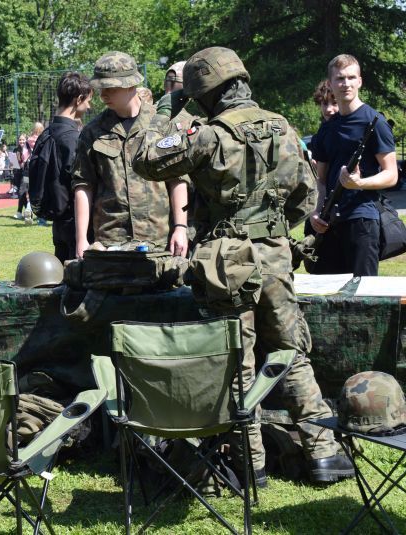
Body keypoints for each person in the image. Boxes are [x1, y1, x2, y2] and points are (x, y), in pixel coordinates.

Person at [132, 46, 354, 486]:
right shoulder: (283, 127)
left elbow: (146, 158)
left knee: (238, 362)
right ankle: (324, 453)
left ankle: (250, 465)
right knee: (292, 353)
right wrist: (271, 228)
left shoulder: (209, 135)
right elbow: (306, 197)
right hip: (275, 256)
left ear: (205, 93)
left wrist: (167, 109)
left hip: (226, 263)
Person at [72, 52, 188, 261]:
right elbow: (83, 185)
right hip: (111, 241)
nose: (103, 95)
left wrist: (181, 227)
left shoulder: (161, 124)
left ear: (130, 85)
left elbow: (177, 179)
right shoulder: (93, 131)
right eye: (101, 88)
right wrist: (81, 238)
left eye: (111, 88)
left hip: (158, 239)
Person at [310, 54, 398, 276]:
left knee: (363, 292)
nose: (346, 84)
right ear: (331, 84)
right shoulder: (327, 128)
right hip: (329, 223)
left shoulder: (375, 122)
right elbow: (321, 180)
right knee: (327, 292)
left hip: (362, 221)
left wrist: (359, 183)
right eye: (340, 78)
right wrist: (316, 211)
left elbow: (391, 175)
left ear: (360, 81)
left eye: (351, 78)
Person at [30, 72, 93, 261]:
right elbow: (81, 184)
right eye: (88, 101)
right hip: (76, 223)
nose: (89, 106)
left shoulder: (45, 135)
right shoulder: (73, 138)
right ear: (78, 99)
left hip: (57, 224)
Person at [13, 134, 30, 218]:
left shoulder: (29, 150)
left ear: (26, 140)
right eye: (20, 139)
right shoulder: (16, 150)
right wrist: (13, 162)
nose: (21, 141)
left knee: (22, 191)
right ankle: (25, 211)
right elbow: (14, 162)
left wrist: (25, 161)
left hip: (26, 174)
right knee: (21, 193)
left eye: (23, 139)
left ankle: (21, 211)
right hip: (17, 173)